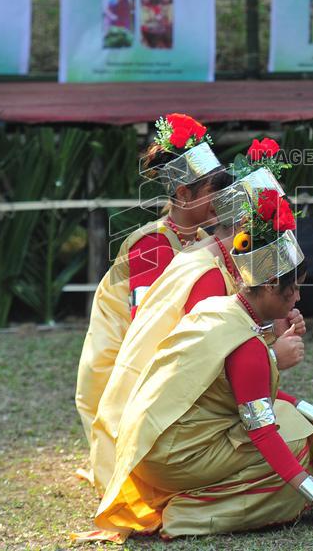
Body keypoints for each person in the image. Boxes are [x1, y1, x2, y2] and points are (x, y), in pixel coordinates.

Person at [86, 208, 313, 543]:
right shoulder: (246, 342)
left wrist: (311, 411)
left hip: (147, 444)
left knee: (291, 420)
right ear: (272, 286)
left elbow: (243, 390)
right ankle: (189, 514)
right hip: (171, 455)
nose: (299, 299)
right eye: (295, 289)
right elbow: (260, 430)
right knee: (297, 448)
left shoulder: (222, 308)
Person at [87, 160, 303, 496]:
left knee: (293, 427)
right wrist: (272, 355)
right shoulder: (202, 271)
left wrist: (272, 322)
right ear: (245, 229)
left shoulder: (215, 254)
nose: (280, 239)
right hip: (164, 423)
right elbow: (204, 371)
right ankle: (187, 510)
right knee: (297, 439)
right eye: (272, 229)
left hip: (177, 409)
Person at [74, 114, 232, 458]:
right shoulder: (153, 245)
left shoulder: (203, 237)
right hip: (130, 378)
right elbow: (145, 326)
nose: (221, 201)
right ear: (182, 192)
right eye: (212, 192)